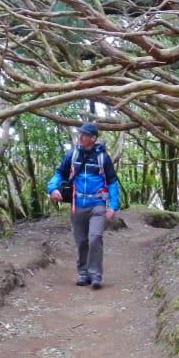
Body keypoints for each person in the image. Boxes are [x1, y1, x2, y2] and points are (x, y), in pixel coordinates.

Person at [47, 123, 120, 288]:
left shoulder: (103, 158)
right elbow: (59, 173)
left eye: (84, 135)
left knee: (95, 238)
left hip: (98, 204)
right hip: (77, 204)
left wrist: (113, 206)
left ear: (93, 138)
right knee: (81, 241)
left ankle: (95, 275)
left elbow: (112, 182)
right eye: (80, 134)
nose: (80, 137)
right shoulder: (72, 155)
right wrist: (52, 188)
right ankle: (83, 274)